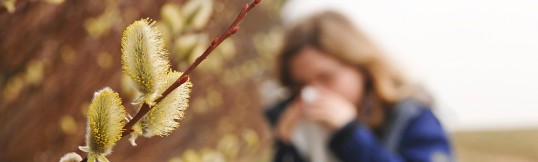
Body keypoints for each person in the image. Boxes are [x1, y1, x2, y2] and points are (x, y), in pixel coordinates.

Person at [264, 11, 453, 162]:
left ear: (361, 67)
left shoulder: (411, 116)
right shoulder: (300, 122)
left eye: (326, 78)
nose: (312, 94)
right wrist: (286, 147)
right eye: (301, 85)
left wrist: (350, 135)